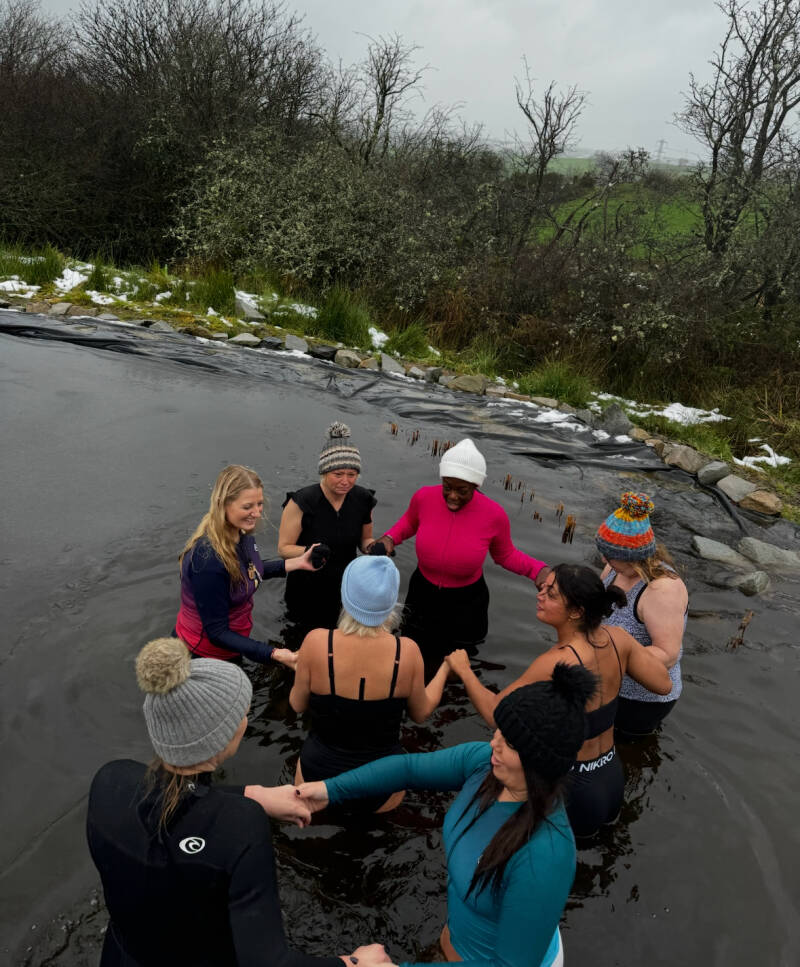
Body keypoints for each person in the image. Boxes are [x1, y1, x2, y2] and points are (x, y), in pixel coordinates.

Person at [87, 637, 392, 967]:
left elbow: (173, 806)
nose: (246, 720)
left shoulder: (110, 781)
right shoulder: (241, 825)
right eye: (242, 715)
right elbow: (268, 962)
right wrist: (352, 964)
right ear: (220, 739)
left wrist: (255, 794)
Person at [298, 664, 598, 967]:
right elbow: (408, 769)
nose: (493, 742)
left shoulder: (545, 855)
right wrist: (328, 790)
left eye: (509, 742)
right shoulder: (484, 765)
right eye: (500, 729)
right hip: (458, 945)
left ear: (539, 761)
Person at [446, 564, 673, 838]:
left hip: (573, 789)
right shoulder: (619, 639)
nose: (540, 595)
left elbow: (496, 714)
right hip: (611, 775)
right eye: (543, 588)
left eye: (551, 594)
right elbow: (663, 684)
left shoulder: (557, 661)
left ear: (576, 611)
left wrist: (465, 672)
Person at [369, 438, 549, 681]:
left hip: (466, 604)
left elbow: (505, 555)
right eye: (447, 487)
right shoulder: (424, 497)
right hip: (422, 594)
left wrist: (538, 570)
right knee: (412, 655)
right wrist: (390, 538)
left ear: (475, 485)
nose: (452, 496)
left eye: (462, 490)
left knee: (459, 666)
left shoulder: (493, 514)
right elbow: (409, 523)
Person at [290, 556, 450, 814]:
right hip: (382, 786)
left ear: (345, 596)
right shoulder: (406, 652)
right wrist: (446, 668)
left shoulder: (316, 643)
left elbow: (297, 704)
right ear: (392, 604)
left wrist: (305, 670)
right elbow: (421, 714)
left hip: (316, 779)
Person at [175, 465, 318, 670]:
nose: (257, 513)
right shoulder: (208, 561)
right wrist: (274, 654)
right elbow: (217, 632)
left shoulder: (240, 534)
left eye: (259, 504)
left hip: (232, 645)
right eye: (247, 506)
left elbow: (249, 570)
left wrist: (298, 562)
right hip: (202, 655)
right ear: (223, 504)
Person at [596, 492, 688, 736]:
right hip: (608, 683)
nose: (604, 559)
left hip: (640, 699)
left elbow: (668, 655)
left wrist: (606, 657)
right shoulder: (614, 569)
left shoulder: (662, 589)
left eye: (610, 555)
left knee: (625, 748)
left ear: (633, 557)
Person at [279, 422, 377, 634]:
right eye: (338, 474)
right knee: (300, 636)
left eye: (352, 474)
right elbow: (284, 548)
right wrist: (309, 550)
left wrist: (374, 548)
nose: (345, 481)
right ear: (324, 472)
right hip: (306, 587)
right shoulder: (302, 501)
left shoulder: (363, 499)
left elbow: (365, 540)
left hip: (346, 587)